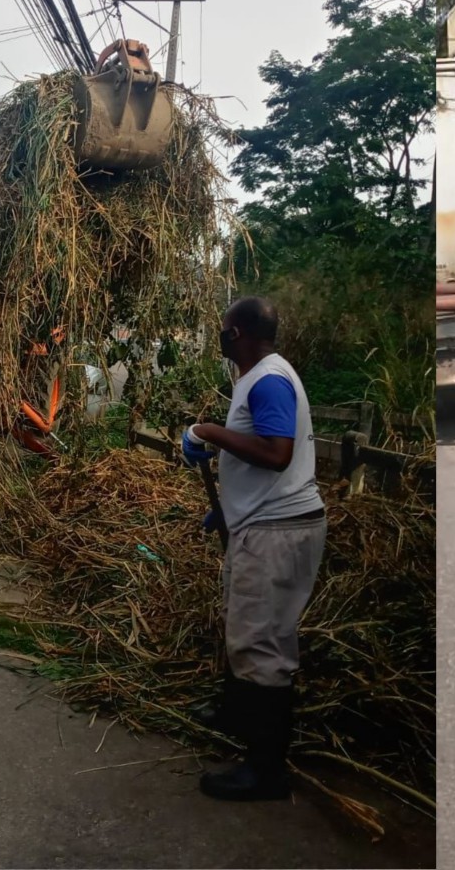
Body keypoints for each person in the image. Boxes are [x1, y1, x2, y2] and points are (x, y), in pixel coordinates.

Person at [181, 296, 327, 800]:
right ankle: (237, 714)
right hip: (261, 522)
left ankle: (265, 773)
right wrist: (230, 506)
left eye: (223, 330)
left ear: (237, 334)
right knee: (244, 626)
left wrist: (207, 431)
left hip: (277, 532)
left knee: (263, 644)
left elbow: (275, 451)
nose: (222, 337)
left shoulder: (268, 378)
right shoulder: (258, 376)